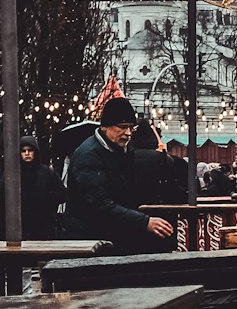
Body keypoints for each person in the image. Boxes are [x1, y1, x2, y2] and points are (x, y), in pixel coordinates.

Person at [62, 96, 175, 254]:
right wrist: (144, 222)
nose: (128, 133)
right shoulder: (89, 156)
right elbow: (98, 205)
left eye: (131, 128)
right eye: (122, 127)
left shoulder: (119, 150)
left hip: (105, 235)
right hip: (88, 239)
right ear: (105, 126)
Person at [11, 136, 65, 240]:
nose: (27, 153)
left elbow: (62, 194)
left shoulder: (48, 173)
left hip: (44, 227)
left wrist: (46, 199)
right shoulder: (11, 174)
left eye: (30, 150)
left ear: (35, 151)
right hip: (20, 228)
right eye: (23, 151)